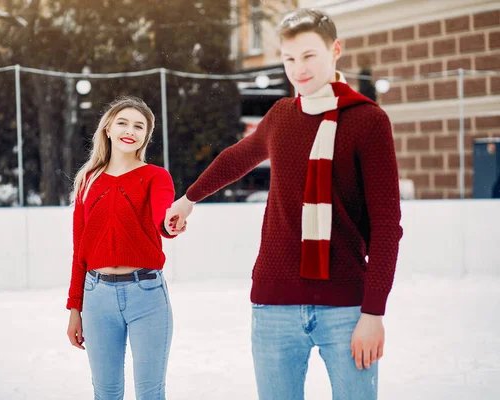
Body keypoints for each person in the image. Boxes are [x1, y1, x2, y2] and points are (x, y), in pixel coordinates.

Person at [166, 9, 403, 400]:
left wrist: (373, 313)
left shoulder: (368, 121)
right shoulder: (280, 116)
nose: (299, 69)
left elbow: (386, 228)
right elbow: (236, 159)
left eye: (309, 56)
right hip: (274, 306)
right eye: (289, 59)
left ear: (335, 50)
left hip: (346, 309)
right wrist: (189, 199)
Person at [66, 96, 184, 400]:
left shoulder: (156, 176)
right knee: (106, 393)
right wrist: (74, 308)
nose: (129, 130)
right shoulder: (87, 181)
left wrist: (170, 222)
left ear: (146, 135)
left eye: (139, 126)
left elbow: (162, 215)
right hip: (97, 299)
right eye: (122, 122)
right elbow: (80, 250)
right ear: (107, 128)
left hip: (146, 296)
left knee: (150, 393)